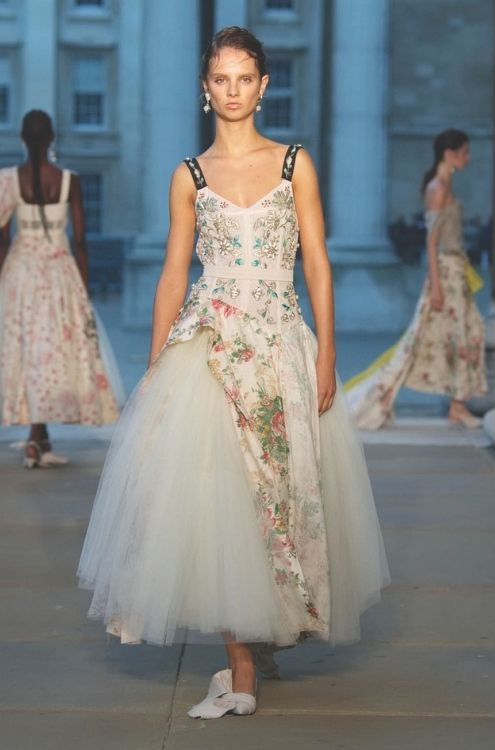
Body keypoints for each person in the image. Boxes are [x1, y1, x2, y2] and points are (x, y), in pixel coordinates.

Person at [77, 27, 389, 719]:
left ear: (264, 85)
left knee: (282, 488)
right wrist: (157, 366)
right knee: (218, 498)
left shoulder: (293, 165)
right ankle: (241, 665)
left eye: (245, 78)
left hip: (280, 343)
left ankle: (268, 631)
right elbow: (172, 272)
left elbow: (316, 262)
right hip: (210, 348)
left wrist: (329, 350)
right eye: (222, 78)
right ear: (205, 87)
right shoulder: (188, 174)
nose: (233, 90)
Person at [0, 110, 120, 466]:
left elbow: (2, 238)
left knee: (30, 349)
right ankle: (38, 439)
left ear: (23, 138)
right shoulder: (69, 180)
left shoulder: (9, 180)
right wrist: (82, 285)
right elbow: (80, 239)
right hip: (59, 271)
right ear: (51, 138)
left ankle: (38, 437)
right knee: (53, 350)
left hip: (21, 273)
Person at [346, 129, 488, 429]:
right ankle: (377, 400)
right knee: (419, 343)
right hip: (444, 273)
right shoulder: (437, 188)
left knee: (464, 334)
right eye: (464, 152)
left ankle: (456, 404)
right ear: (450, 154)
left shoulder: (445, 184)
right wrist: (435, 283)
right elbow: (432, 240)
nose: (468, 158)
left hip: (456, 272)